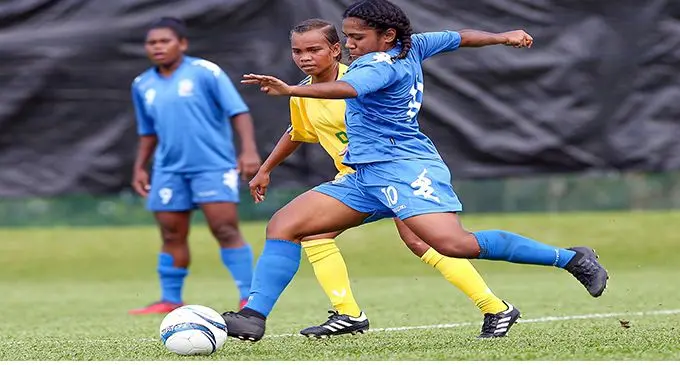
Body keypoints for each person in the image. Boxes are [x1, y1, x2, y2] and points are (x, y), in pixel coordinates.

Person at [225, 0, 608, 341]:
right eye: (348, 36)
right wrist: (501, 36)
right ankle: (253, 317)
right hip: (363, 175)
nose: (351, 45)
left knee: (453, 244)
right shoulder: (415, 44)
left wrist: (291, 90)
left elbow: (348, 90)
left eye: (357, 38)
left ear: (387, 35)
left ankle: (571, 259)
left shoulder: (379, 65)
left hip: (403, 169)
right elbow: (459, 37)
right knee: (284, 225)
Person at [248, 18, 519, 339]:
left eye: (314, 49)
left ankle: (496, 308)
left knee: (423, 241)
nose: (305, 57)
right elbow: (298, 131)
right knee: (313, 234)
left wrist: (501, 37)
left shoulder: (362, 79)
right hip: (358, 182)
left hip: (393, 172)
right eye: (297, 51)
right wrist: (266, 168)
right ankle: (348, 314)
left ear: (336, 50)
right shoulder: (304, 92)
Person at [129, 17, 262, 315]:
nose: (158, 47)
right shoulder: (142, 84)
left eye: (165, 41)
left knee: (225, 229)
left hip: (213, 166)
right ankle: (170, 298)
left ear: (182, 44)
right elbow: (147, 131)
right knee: (171, 234)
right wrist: (140, 167)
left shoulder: (205, 72)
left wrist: (249, 151)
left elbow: (238, 112)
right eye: (152, 43)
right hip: (168, 170)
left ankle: (249, 296)